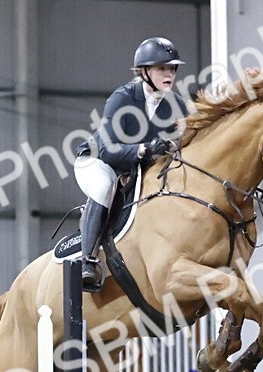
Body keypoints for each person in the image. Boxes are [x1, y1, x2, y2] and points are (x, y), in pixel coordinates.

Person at [74, 36, 190, 293]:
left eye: (172, 68)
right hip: (97, 161)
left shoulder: (177, 105)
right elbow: (108, 150)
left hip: (134, 169)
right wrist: (144, 149)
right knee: (104, 186)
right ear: (144, 71)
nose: (169, 74)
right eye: (162, 68)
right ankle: (88, 261)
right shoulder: (123, 98)